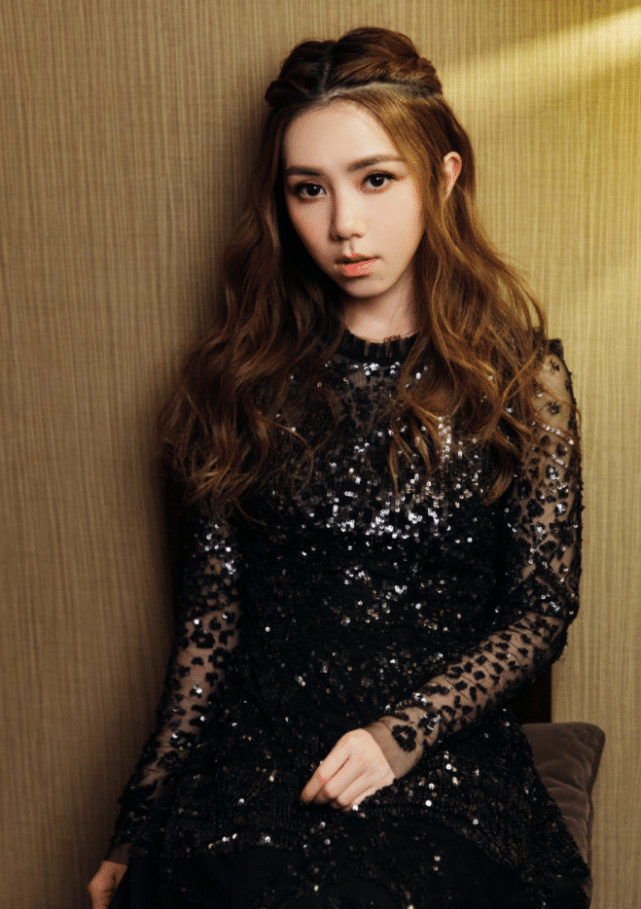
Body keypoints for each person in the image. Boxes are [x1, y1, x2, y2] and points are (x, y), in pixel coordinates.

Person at [89, 26, 589, 909]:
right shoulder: (237, 383)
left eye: (375, 179)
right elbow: (210, 629)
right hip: (258, 753)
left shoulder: (518, 379)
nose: (342, 225)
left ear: (442, 176)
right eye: (308, 189)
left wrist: (403, 733)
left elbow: (539, 611)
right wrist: (137, 824)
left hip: (442, 752)